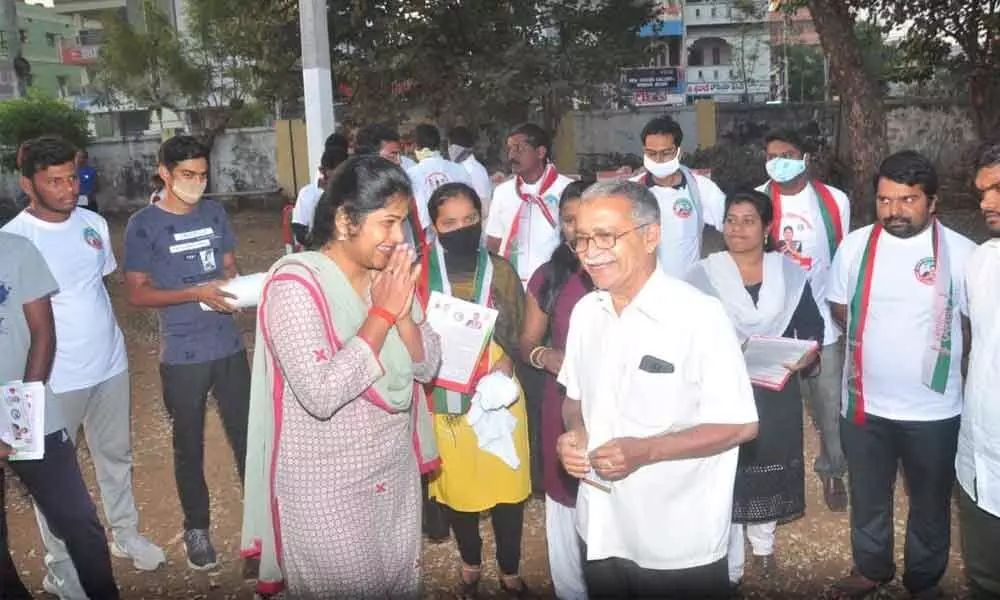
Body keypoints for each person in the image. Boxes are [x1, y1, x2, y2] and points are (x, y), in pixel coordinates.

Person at [240, 155, 442, 598]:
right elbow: (321, 392)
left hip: (395, 476)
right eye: (387, 223)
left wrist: (403, 314)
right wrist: (383, 313)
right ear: (345, 219)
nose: (398, 237)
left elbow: (428, 365)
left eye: (403, 222)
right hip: (326, 489)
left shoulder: (386, 276)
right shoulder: (295, 286)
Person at [556, 180, 758, 598]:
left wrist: (646, 450)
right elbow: (574, 400)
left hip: (675, 540)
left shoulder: (699, 315)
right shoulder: (585, 313)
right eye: (581, 240)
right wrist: (575, 433)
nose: (591, 252)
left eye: (606, 236)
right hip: (600, 527)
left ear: (651, 236)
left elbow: (740, 425)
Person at [1, 136, 164, 597]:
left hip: (109, 365)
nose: (68, 189)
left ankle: (126, 534)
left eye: (72, 177)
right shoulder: (14, 241)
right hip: (52, 381)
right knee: (54, 484)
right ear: (28, 184)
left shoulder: (93, 223)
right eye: (54, 181)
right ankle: (62, 567)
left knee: (116, 456)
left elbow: (97, 288)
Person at [827, 151, 976, 598]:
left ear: (933, 202)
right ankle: (871, 567)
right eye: (885, 200)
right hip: (865, 404)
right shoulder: (854, 246)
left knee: (930, 503)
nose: (895, 210)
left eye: (908, 200)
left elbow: (972, 323)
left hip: (934, 409)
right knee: (869, 495)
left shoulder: (964, 255)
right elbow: (840, 310)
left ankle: (924, 579)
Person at [123, 135, 250, 571]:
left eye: (202, 174)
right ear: (164, 173)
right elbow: (138, 294)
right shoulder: (143, 224)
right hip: (183, 354)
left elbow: (230, 264)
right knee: (188, 445)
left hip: (228, 347)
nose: (196, 182)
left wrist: (235, 281)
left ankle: (259, 529)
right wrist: (195, 291)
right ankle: (197, 528)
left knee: (248, 438)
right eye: (186, 175)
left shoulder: (214, 212)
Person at [686, 190, 823, 586]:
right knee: (726, 467)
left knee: (767, 462)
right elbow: (687, 330)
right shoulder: (702, 275)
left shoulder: (790, 275)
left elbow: (811, 328)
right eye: (731, 220)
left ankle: (763, 548)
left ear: (766, 230)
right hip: (720, 389)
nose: (737, 228)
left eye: (748, 221)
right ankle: (729, 563)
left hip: (775, 387)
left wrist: (806, 356)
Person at [420, 183, 532, 598]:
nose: (462, 228)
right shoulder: (417, 271)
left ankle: (510, 571)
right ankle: (470, 563)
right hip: (446, 396)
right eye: (450, 222)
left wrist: (507, 362)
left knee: (507, 488)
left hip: (497, 391)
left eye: (470, 220)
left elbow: (519, 329)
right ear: (434, 226)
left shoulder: (500, 269)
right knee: (459, 488)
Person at [0, 231, 121, 600]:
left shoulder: (16, 249)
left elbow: (43, 334)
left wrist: (19, 423)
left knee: (78, 521)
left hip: (27, 409)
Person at [755, 128, 852, 512]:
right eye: (771, 155)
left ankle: (834, 470)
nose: (779, 161)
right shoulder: (759, 200)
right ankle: (770, 476)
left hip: (823, 323)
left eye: (788, 154)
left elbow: (842, 258)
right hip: (773, 325)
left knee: (828, 404)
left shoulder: (834, 201)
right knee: (771, 407)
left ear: (805, 157)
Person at [519, 180, 593, 600]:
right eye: (568, 220)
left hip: (618, 396)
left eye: (585, 219)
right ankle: (570, 590)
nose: (576, 229)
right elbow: (527, 342)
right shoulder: (548, 277)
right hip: (561, 396)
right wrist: (549, 358)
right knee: (565, 496)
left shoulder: (625, 271)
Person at [957, 141, 1000, 599]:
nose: (986, 202)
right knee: (985, 579)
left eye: (997, 189)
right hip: (979, 459)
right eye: (982, 191)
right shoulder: (982, 262)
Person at [629, 116, 726, 278]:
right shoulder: (630, 191)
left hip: (689, 288)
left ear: (679, 152)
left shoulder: (701, 188)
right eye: (651, 153)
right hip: (644, 290)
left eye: (666, 153)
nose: (658, 160)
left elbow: (731, 227)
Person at [486, 123, 574, 287]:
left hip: (553, 284)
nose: (511, 155)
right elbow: (493, 241)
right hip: (510, 285)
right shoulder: (502, 192)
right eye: (510, 149)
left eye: (519, 148)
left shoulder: (567, 190)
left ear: (540, 152)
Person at [405, 124, 471, 246]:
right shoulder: (459, 169)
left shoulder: (410, 175)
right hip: (461, 234)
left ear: (416, 146)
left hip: (429, 240)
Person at [291, 146, 349, 247]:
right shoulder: (307, 194)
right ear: (322, 171)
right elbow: (299, 229)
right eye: (333, 177)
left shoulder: (353, 192)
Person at [448, 126, 493, 211]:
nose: (449, 150)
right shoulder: (461, 167)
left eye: (450, 145)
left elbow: (484, 205)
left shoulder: (474, 169)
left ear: (455, 147)